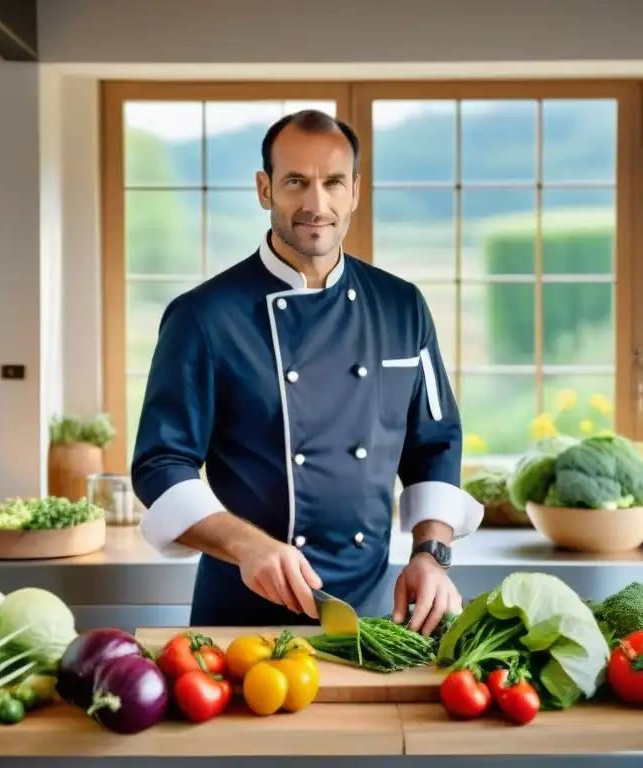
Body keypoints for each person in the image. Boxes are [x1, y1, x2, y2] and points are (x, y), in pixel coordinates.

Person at [131, 109, 484, 636]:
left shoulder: (402, 306)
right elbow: (161, 463)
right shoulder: (204, 317)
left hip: (372, 613)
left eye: (333, 182)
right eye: (296, 181)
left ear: (355, 192)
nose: (316, 205)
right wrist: (247, 544)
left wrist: (431, 554)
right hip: (240, 615)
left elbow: (433, 442)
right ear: (264, 188)